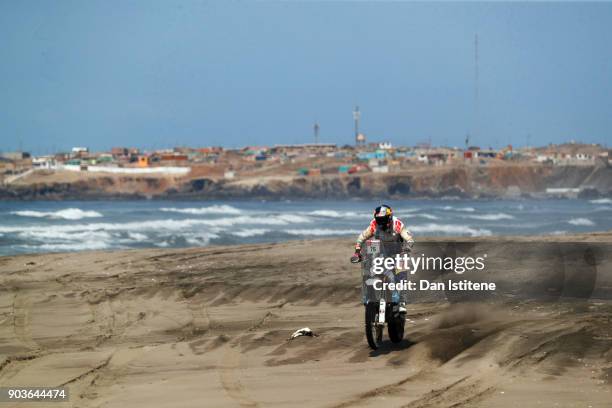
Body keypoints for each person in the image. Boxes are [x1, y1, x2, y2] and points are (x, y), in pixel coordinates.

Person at [353, 204, 414, 313]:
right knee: (368, 264)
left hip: (397, 250)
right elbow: (360, 239)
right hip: (381, 249)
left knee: (401, 272)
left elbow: (409, 239)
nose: (381, 222)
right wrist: (357, 253)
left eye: (384, 219)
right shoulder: (373, 224)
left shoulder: (397, 224)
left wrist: (407, 247)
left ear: (390, 217)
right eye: (379, 219)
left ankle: (402, 302)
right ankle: (368, 295)